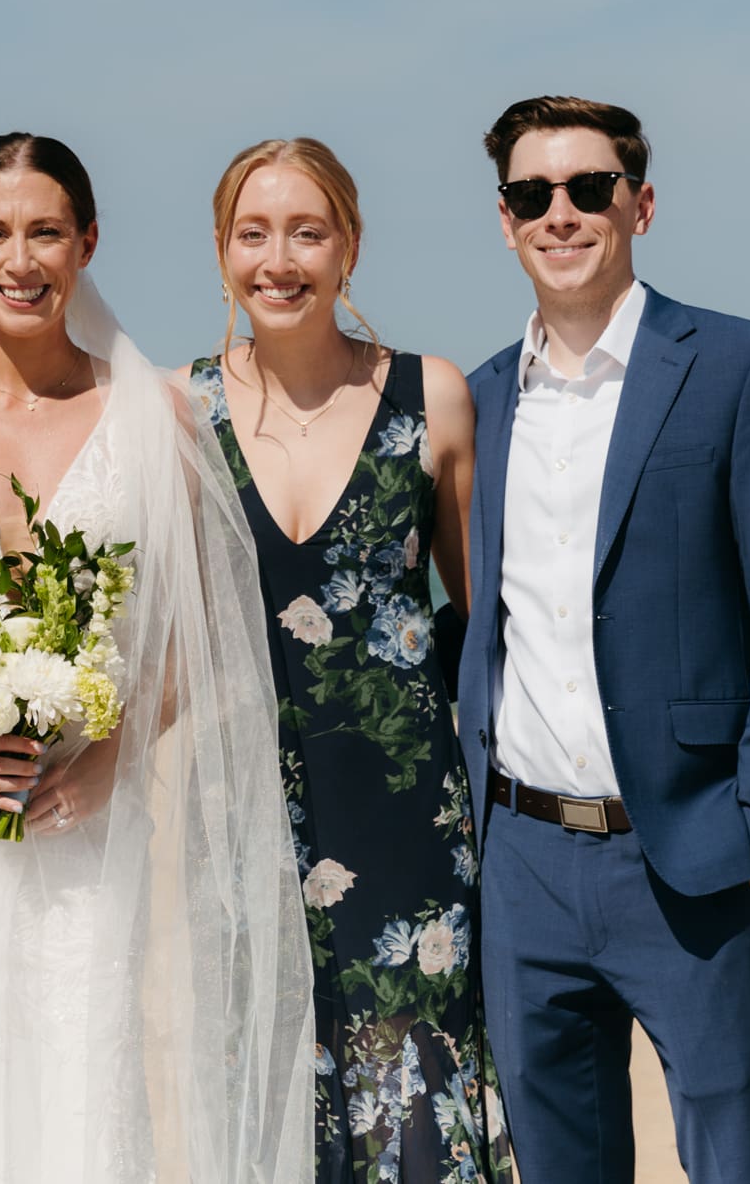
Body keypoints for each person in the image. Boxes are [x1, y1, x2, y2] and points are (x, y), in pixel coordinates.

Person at [0, 132, 313, 1184]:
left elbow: (200, 627)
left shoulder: (154, 415)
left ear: (85, 242)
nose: (20, 259)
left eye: (44, 231)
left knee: (84, 1078)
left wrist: (113, 753)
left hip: (85, 820)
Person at [456, 96, 750, 1182]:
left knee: (738, 1158)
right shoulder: (477, 401)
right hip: (521, 857)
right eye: (533, 195)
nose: (561, 213)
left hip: (686, 853)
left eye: (588, 189)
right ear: (503, 220)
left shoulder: (739, 367)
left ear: (640, 203)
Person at [185, 138, 508, 1181]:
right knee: (274, 1112)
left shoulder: (432, 397)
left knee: (418, 1122)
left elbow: (485, 621)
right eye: (253, 233)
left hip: (410, 826)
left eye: (306, 232)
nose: (278, 259)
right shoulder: (174, 412)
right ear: (222, 250)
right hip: (242, 824)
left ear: (349, 248)